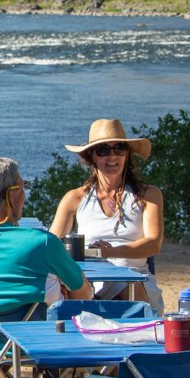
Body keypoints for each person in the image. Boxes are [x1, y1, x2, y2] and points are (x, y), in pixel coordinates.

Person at [0, 157, 92, 350]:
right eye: (22, 187)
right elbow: (84, 295)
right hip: (42, 345)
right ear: (11, 195)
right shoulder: (41, 242)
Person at [49, 118, 164, 313]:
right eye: (103, 150)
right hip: (90, 281)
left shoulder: (148, 195)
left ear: (127, 154)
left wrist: (111, 252)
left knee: (128, 287)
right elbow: (51, 244)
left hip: (135, 278)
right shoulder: (75, 198)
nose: (112, 156)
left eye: (119, 148)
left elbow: (153, 244)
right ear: (92, 156)